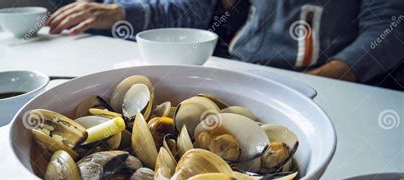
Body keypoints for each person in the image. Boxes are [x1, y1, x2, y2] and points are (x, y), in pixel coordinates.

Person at [46, 1, 404, 86]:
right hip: (238, 66)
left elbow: (391, 25)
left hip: (325, 79)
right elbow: (191, 9)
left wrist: (327, 76)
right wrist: (119, 12)